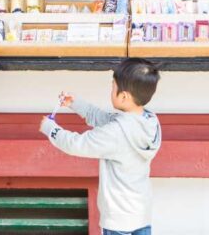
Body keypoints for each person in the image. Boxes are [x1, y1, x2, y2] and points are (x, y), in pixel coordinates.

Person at [39, 58, 162, 235]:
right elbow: (104, 118)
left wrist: (51, 129)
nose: (110, 91)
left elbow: (78, 144)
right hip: (141, 213)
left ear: (124, 96)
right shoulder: (149, 121)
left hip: (118, 219)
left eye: (113, 87)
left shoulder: (116, 132)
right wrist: (75, 103)